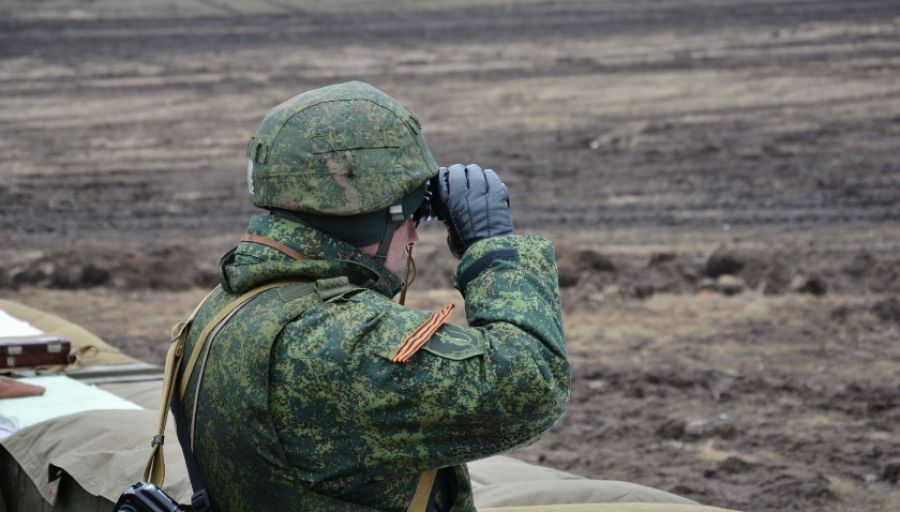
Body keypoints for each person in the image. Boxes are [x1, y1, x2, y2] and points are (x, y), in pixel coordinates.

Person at [174, 81, 570, 511]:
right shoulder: (335, 341)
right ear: (369, 221)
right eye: (411, 216)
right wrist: (492, 249)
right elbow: (532, 384)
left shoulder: (230, 304)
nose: (415, 233)